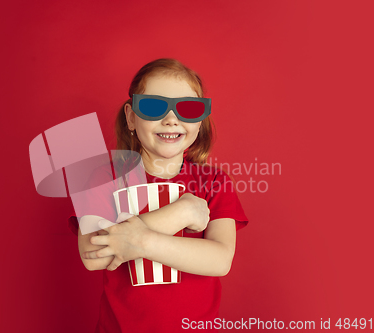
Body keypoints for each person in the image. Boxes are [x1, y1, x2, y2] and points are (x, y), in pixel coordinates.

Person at [72, 58, 249, 332]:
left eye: (188, 108)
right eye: (154, 107)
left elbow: (220, 259)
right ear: (131, 117)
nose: (171, 119)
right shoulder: (102, 179)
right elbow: (94, 255)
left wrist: (140, 241)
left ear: (200, 121)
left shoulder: (214, 182)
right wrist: (180, 213)